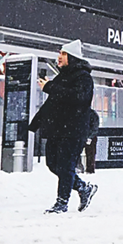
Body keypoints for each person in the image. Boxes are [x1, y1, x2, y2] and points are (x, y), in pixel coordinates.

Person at [27, 39, 97, 214]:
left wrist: (50, 87)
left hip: (73, 130)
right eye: (59, 53)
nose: (59, 57)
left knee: (65, 166)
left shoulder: (83, 77)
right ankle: (83, 187)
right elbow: (52, 104)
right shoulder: (62, 77)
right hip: (57, 130)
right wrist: (33, 125)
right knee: (52, 164)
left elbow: (79, 98)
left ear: (72, 57)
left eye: (63, 53)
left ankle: (62, 202)